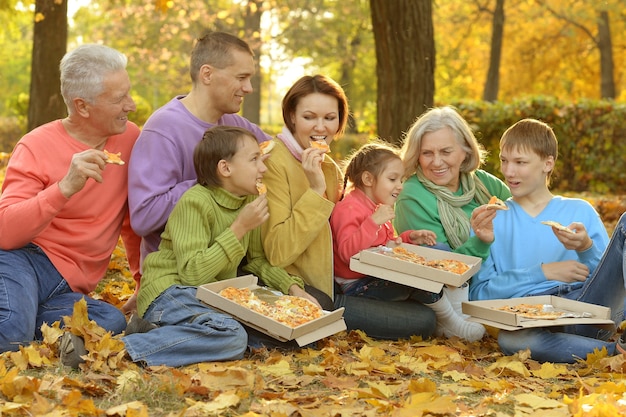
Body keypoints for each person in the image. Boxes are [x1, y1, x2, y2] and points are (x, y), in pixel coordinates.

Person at [121, 126, 317, 367]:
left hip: (210, 298)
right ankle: (128, 347)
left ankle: (157, 332)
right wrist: (239, 228)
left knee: (290, 336)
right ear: (225, 168)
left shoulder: (250, 200)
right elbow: (192, 274)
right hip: (169, 292)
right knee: (233, 336)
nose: (263, 168)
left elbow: (256, 262)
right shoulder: (196, 202)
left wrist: (293, 290)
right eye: (254, 159)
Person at [261, 74, 437, 340]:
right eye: (309, 117)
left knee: (425, 296)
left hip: (344, 280)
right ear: (292, 116)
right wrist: (315, 190)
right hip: (304, 288)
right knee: (423, 320)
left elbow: (351, 225)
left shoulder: (330, 167)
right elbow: (277, 254)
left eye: (330, 118)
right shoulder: (273, 161)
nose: (320, 127)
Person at [0, 44, 141, 353]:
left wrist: (143, 283)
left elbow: (133, 220)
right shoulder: (35, 145)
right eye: (119, 99)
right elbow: (6, 233)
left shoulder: (132, 140)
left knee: (112, 320)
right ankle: (17, 319)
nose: (130, 105)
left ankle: (22, 315)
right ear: (83, 106)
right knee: (10, 333)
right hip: (23, 259)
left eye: (128, 93)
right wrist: (64, 187)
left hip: (68, 287)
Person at [468, 118, 626, 363]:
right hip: (531, 320)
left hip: (586, 308)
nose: (508, 172)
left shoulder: (579, 210)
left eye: (520, 162)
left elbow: (611, 283)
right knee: (512, 341)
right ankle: (615, 353)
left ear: (547, 164)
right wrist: (543, 272)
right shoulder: (491, 220)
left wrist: (586, 248)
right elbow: (479, 296)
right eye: (504, 160)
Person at [128, 31, 271, 268]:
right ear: (207, 74)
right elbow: (145, 217)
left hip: (231, 268)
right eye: (241, 77)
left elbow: (278, 151)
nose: (249, 88)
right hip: (177, 272)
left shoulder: (233, 123)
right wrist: (212, 180)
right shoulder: (163, 128)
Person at [330, 141, 484, 340]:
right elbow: (347, 253)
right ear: (368, 178)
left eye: (401, 180)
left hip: (375, 273)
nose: (400, 186)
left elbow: (383, 246)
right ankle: (451, 322)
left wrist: (408, 238)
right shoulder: (349, 208)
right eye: (393, 179)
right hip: (358, 285)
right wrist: (373, 222)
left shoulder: (375, 206)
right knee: (419, 279)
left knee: (437, 256)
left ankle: (457, 315)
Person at [394, 106, 511, 338]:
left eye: (446, 151)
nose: (436, 162)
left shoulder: (483, 184)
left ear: (465, 152)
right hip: (456, 295)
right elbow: (441, 269)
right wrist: (480, 241)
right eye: (427, 153)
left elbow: (524, 213)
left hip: (504, 277)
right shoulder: (412, 196)